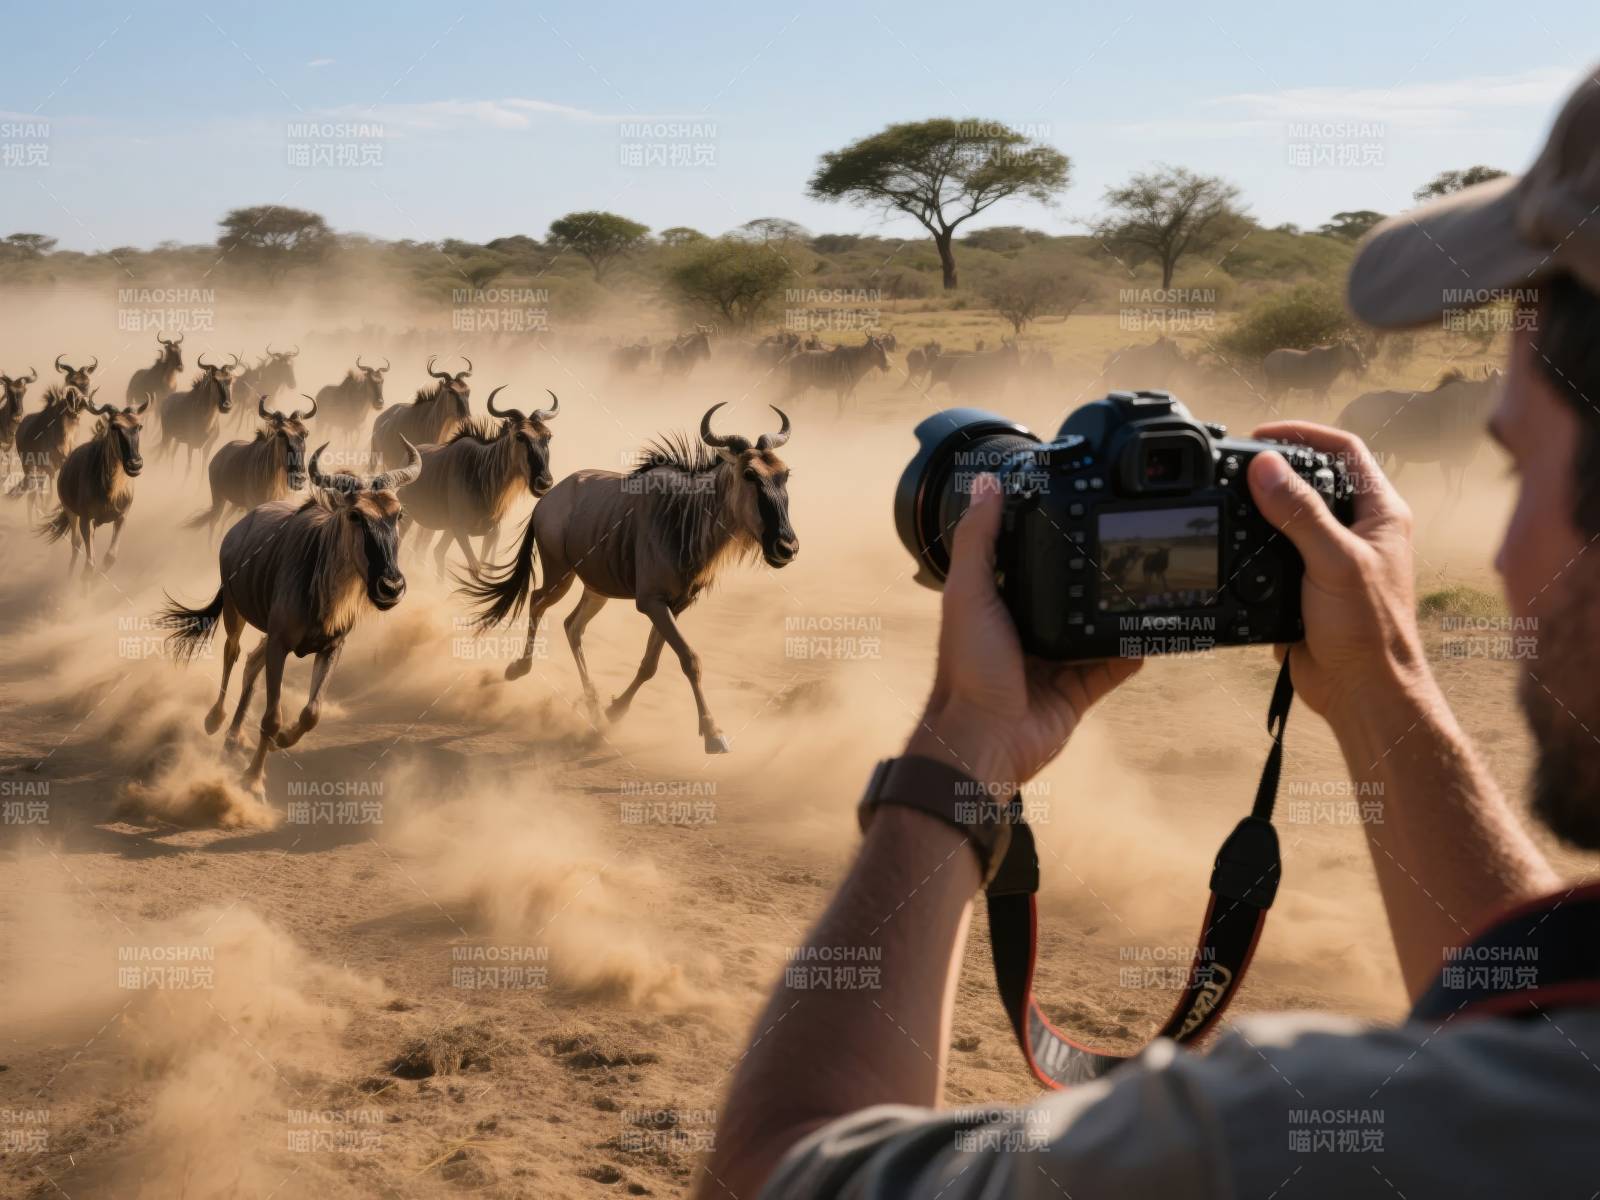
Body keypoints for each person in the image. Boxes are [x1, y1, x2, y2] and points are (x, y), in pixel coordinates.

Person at [698, 63, 1600, 1200]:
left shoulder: (1276, 1138)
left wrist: (961, 748)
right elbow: (1547, 1016)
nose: (1506, 549)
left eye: (1518, 466)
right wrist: (1381, 681)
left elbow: (774, 1175)